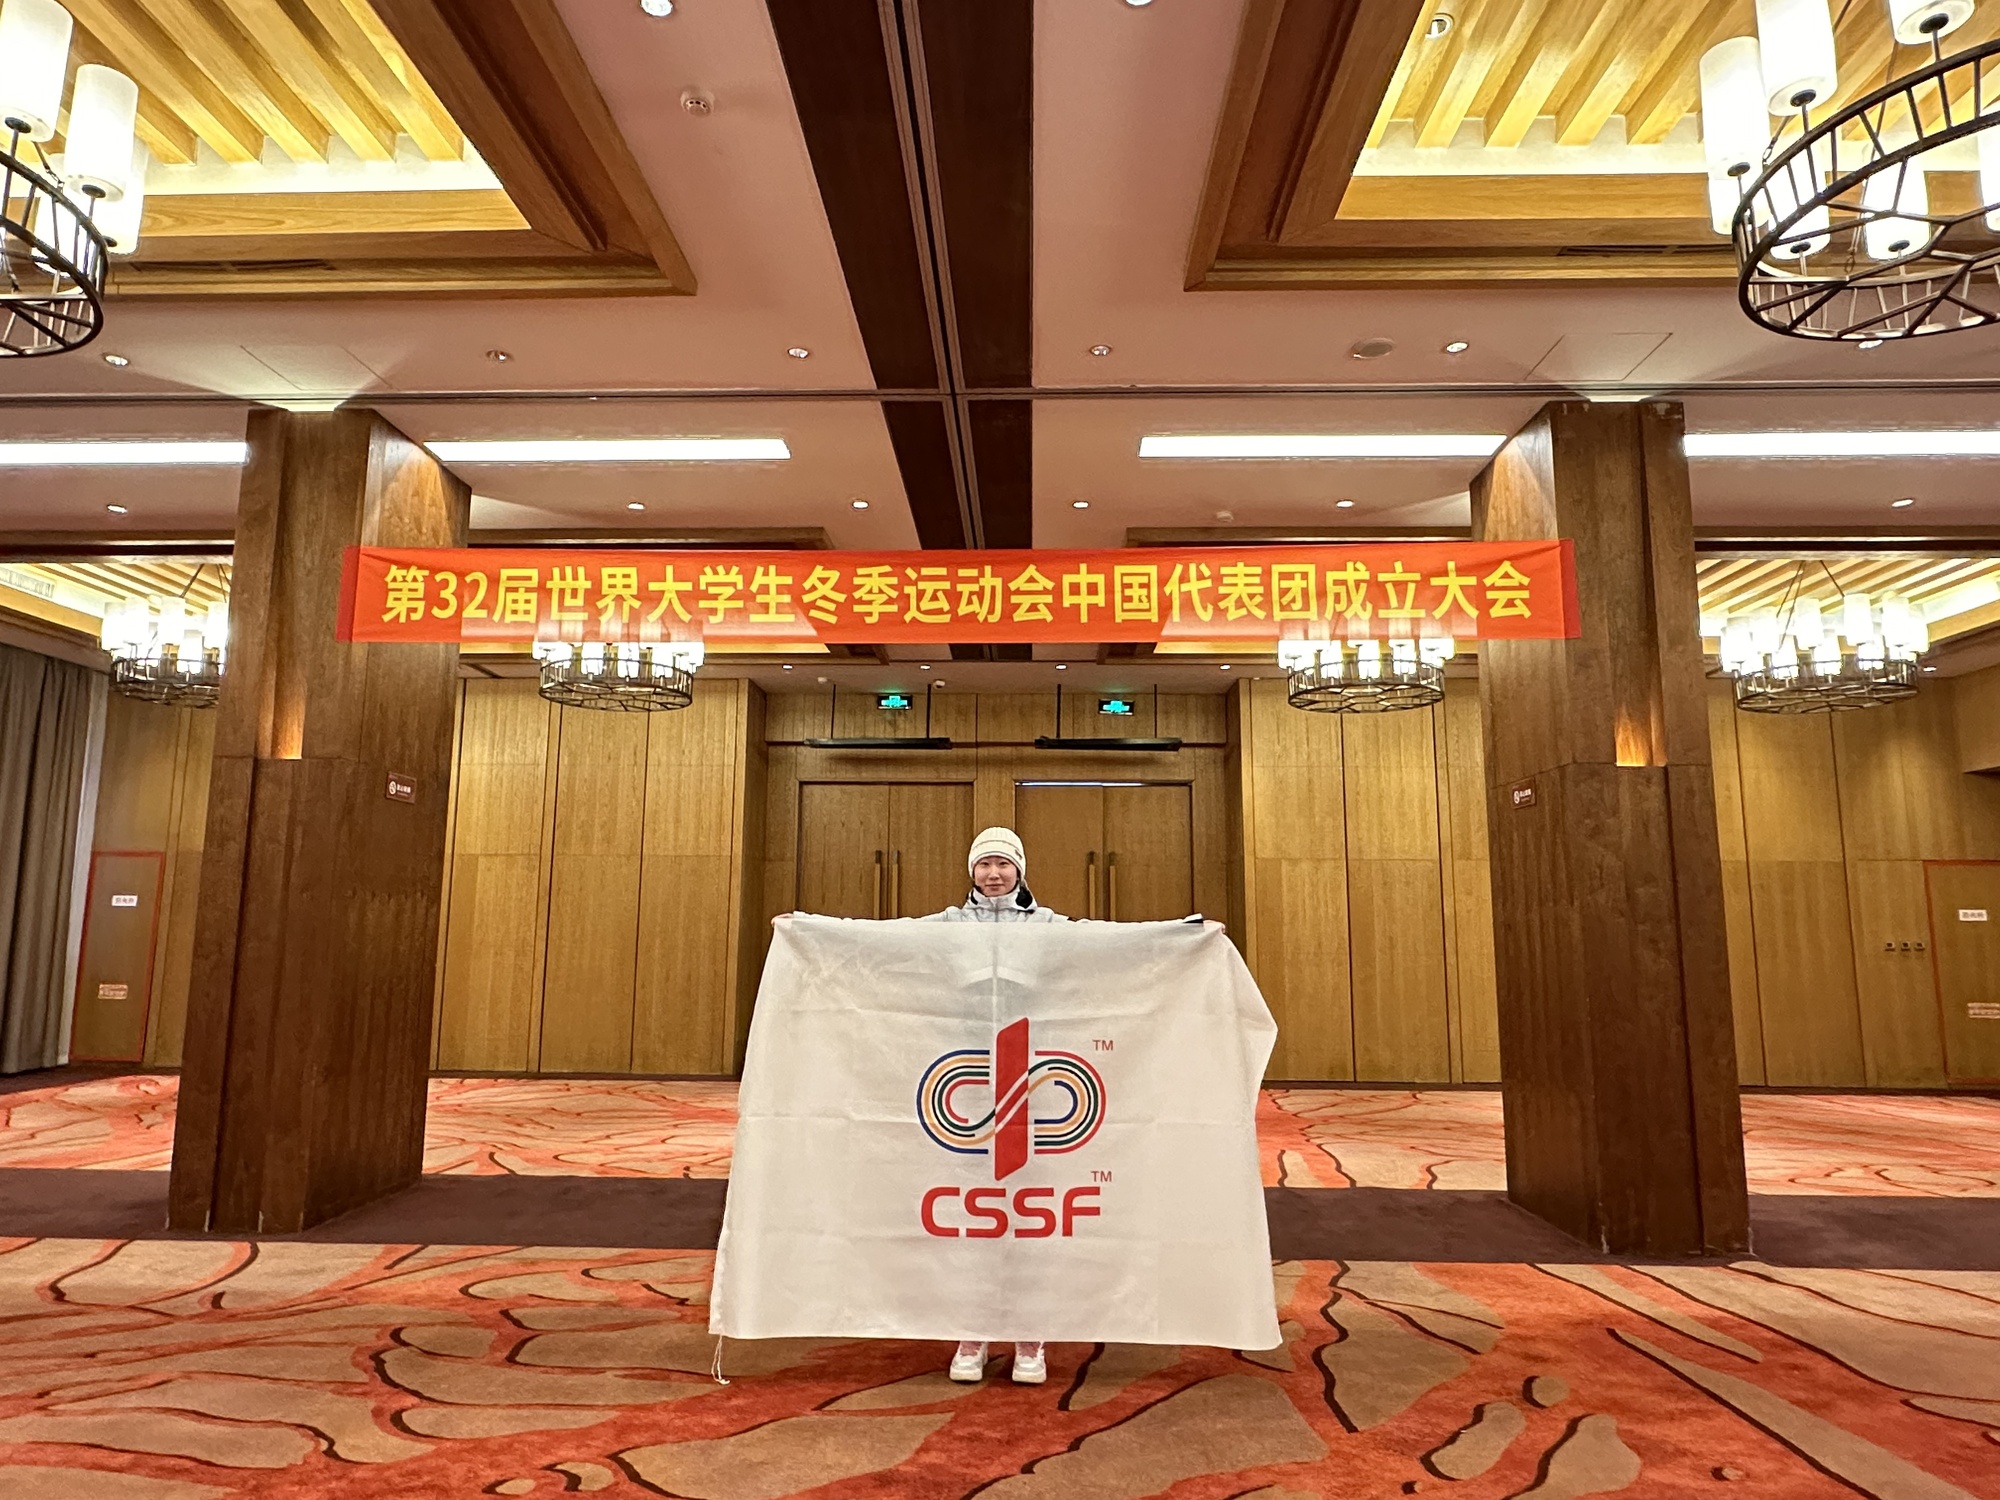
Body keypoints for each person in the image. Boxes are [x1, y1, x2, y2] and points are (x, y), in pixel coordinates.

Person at [924, 826, 1063, 1383]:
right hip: (968, 1070)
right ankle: (973, 1331)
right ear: (972, 871)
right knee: (973, 1206)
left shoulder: (1048, 925)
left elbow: (1114, 943)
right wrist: (806, 928)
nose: (994, 874)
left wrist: (1185, 934)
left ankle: (1031, 1335)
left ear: (1020, 869)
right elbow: (878, 938)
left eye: (1004, 863)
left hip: (1032, 1069)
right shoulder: (950, 924)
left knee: (1030, 1205)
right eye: (984, 864)